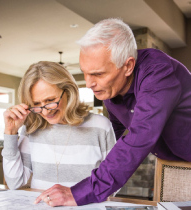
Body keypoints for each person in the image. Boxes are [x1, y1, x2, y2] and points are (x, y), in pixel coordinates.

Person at [35, 18, 191, 206]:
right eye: (85, 72)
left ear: (128, 66)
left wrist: (80, 193)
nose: (89, 83)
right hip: (172, 165)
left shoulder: (158, 73)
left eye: (98, 74)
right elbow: (114, 137)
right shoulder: (110, 89)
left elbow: (140, 135)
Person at [2, 61, 116, 206]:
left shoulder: (100, 126)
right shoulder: (31, 128)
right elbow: (15, 183)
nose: (45, 111)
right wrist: (10, 133)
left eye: (50, 100)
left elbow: (112, 182)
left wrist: (76, 196)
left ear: (69, 91)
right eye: (36, 104)